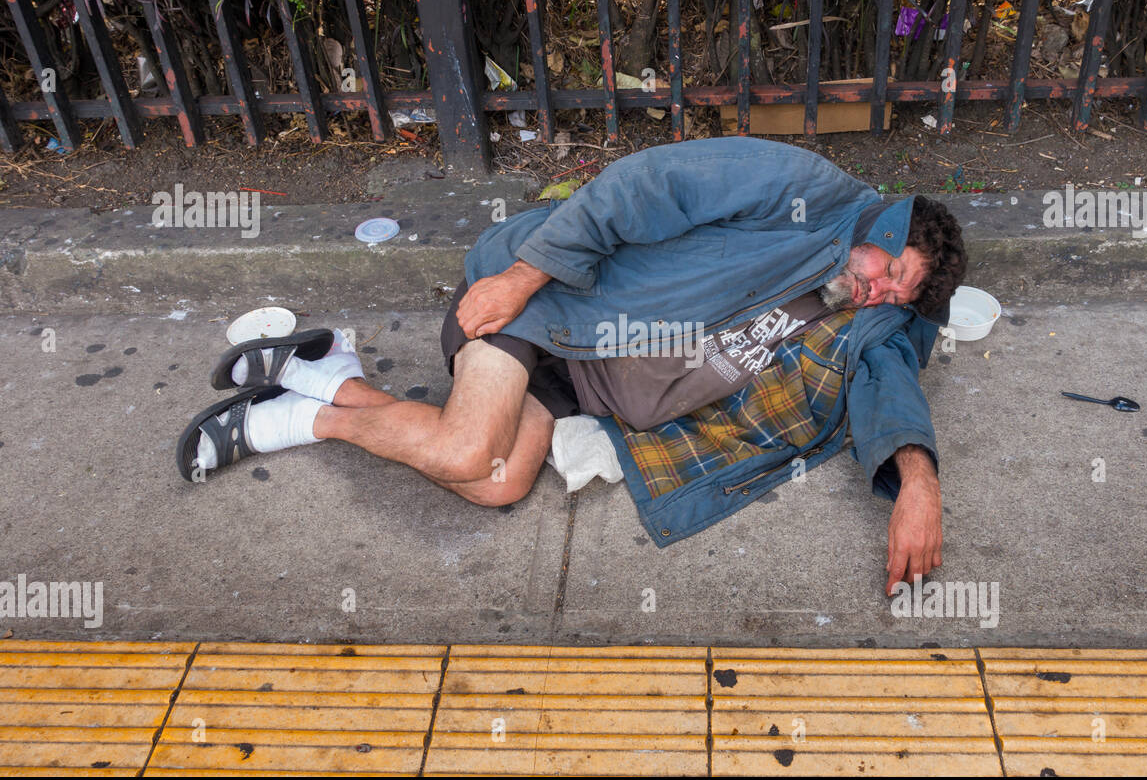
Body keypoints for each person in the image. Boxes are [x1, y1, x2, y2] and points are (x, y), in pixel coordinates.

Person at [178, 138, 967, 593]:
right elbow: (646, 184)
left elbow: (889, 378)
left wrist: (918, 484)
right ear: (890, 225)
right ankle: (273, 421)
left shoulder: (863, 318)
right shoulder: (808, 190)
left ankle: (326, 380)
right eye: (891, 270)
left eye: (897, 299)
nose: (878, 294)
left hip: (582, 382)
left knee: (497, 482)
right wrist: (527, 275)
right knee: (463, 451)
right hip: (553, 302)